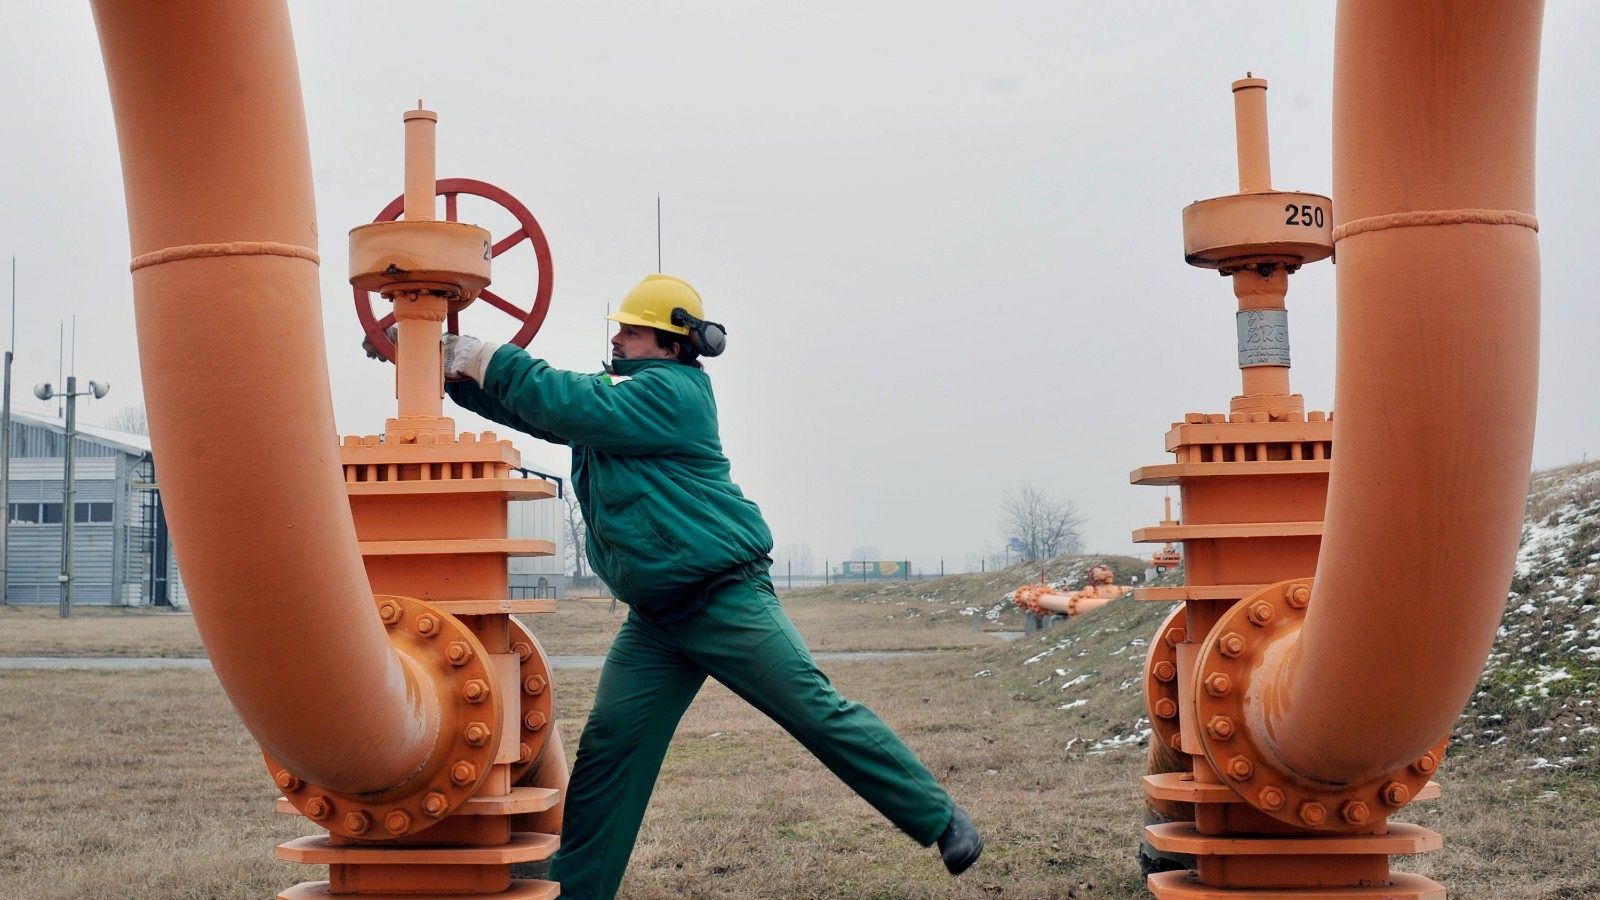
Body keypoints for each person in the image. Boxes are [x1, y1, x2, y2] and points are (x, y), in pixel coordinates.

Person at [375, 273, 981, 900]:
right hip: (657, 621)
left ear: (670, 344)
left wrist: (487, 357)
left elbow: (567, 401)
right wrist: (432, 365)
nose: (618, 339)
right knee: (610, 758)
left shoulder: (674, 393)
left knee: (815, 710)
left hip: (725, 599)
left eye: (632, 331)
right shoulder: (618, 400)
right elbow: (543, 409)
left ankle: (939, 820)